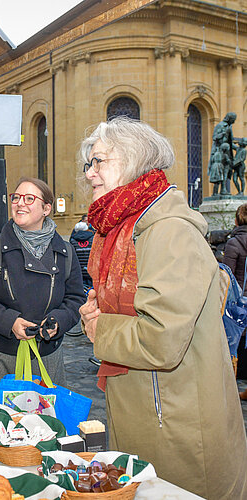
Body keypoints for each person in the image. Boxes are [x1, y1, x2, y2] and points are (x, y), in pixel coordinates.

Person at [79, 116, 247, 499]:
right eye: (89, 164)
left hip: (176, 420)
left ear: (134, 161)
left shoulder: (167, 230)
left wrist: (99, 328)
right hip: (148, 409)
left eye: (99, 161)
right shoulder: (127, 227)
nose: (90, 174)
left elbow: (161, 340)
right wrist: (98, 313)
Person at [0, 177, 85, 399]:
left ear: (46, 208)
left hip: (46, 356)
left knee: (46, 425)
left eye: (29, 199)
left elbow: (76, 299)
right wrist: (10, 322)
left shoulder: (65, 252)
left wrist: (58, 321)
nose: (20, 203)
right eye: (16, 197)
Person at [223, 203, 247, 394]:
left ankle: (230, 387)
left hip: (239, 302)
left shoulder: (234, 243)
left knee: (233, 345)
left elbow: (227, 275)